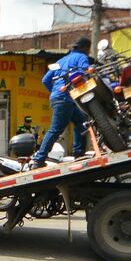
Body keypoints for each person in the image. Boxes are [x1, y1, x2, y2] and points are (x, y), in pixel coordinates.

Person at [32, 36, 92, 167]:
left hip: (60, 97)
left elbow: (45, 80)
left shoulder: (60, 61)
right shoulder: (82, 57)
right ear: (84, 48)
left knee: (81, 122)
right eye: (88, 49)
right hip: (65, 98)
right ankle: (39, 159)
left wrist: (54, 90)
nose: (88, 52)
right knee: (56, 129)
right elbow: (85, 73)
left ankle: (78, 152)